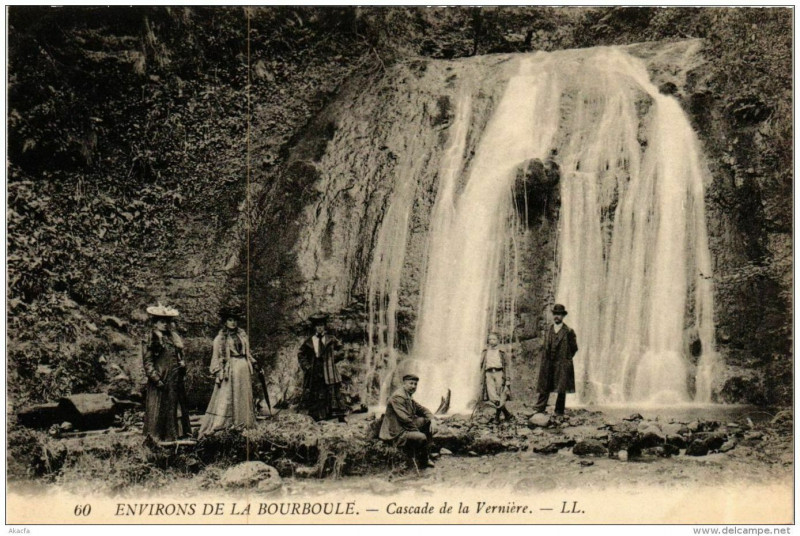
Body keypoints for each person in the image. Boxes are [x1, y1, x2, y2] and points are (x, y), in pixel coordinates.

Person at [198, 306, 258, 438]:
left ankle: (244, 424)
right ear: (225, 322)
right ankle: (226, 424)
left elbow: (247, 353)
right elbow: (216, 357)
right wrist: (219, 371)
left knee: (243, 395)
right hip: (230, 370)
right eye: (230, 320)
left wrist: (254, 363)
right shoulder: (220, 339)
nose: (233, 323)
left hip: (243, 369)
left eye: (235, 320)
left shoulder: (242, 335)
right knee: (228, 396)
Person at [142, 303, 191, 442]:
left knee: (175, 406)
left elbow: (179, 356)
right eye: (162, 322)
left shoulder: (173, 337)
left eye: (167, 322)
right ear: (155, 323)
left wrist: (182, 365)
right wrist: (156, 379)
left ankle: (177, 435)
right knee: (159, 409)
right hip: (161, 380)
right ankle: (157, 439)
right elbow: (148, 362)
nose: (165, 325)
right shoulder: (151, 339)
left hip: (175, 379)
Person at [379, 374, 437, 469]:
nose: (413, 386)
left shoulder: (408, 396)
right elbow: (405, 419)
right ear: (404, 384)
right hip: (395, 432)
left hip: (403, 427)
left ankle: (426, 452)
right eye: (411, 383)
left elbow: (422, 409)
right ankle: (423, 461)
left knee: (427, 421)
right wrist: (418, 432)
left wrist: (432, 419)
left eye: (415, 384)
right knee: (421, 437)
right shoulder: (398, 397)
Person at [297, 313, 347, 422]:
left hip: (329, 370)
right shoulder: (310, 340)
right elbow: (301, 354)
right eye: (317, 326)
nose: (319, 328)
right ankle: (318, 417)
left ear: (324, 326)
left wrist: (333, 358)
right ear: (314, 327)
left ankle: (338, 416)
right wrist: (307, 367)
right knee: (317, 393)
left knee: (333, 391)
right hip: (315, 370)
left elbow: (342, 350)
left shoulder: (331, 339)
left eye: (321, 325)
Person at [534, 303, 578, 416]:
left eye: (559, 314)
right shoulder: (548, 330)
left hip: (562, 363)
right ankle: (539, 408)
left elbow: (574, 348)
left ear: (563, 316)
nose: (557, 316)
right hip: (548, 362)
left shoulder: (568, 331)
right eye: (555, 314)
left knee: (561, 388)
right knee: (545, 384)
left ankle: (559, 411)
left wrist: (566, 359)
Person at [480, 332, 514, 423]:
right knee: (492, 396)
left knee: (499, 394)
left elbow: (507, 366)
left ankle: (497, 418)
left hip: (499, 373)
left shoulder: (502, 352)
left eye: (494, 339)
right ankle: (507, 414)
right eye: (490, 339)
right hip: (488, 373)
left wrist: (507, 379)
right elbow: (482, 365)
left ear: (498, 340)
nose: (491, 341)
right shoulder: (485, 352)